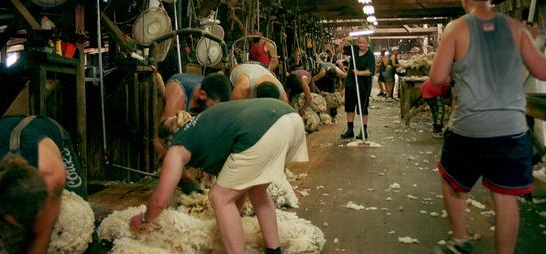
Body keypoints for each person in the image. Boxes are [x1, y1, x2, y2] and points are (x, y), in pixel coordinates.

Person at [430, 0, 546, 254]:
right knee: (505, 198)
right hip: (511, 129)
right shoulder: (516, 28)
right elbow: (544, 72)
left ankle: (460, 241)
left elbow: (437, 78)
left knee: (453, 184)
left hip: (469, 128)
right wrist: (528, 43)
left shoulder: (456, 28)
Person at [129, 98, 309, 254]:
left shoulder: (177, 146)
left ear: (168, 140)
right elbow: (238, 188)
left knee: (218, 197)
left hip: (262, 129)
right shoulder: (202, 129)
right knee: (256, 190)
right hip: (289, 118)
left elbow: (160, 200)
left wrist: (144, 219)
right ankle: (273, 250)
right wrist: (227, 221)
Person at [0, 115, 95, 254]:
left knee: (79, 221)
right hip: (3, 128)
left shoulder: (52, 176)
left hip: (45, 128)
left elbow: (40, 239)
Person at [155, 72, 232, 193]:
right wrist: (186, 178)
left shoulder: (210, 93)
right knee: (173, 134)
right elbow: (159, 142)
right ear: (202, 95)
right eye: (213, 106)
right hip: (178, 97)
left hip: (196, 106)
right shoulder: (178, 95)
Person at [338, 35, 375, 139]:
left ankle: (363, 131)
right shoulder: (353, 49)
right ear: (357, 42)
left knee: (363, 109)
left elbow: (371, 71)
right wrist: (345, 40)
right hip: (351, 83)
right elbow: (339, 49)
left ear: (367, 43)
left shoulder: (370, 55)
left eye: (363, 43)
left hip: (363, 85)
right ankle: (350, 130)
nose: (361, 45)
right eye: (360, 42)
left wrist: (359, 73)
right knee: (349, 108)